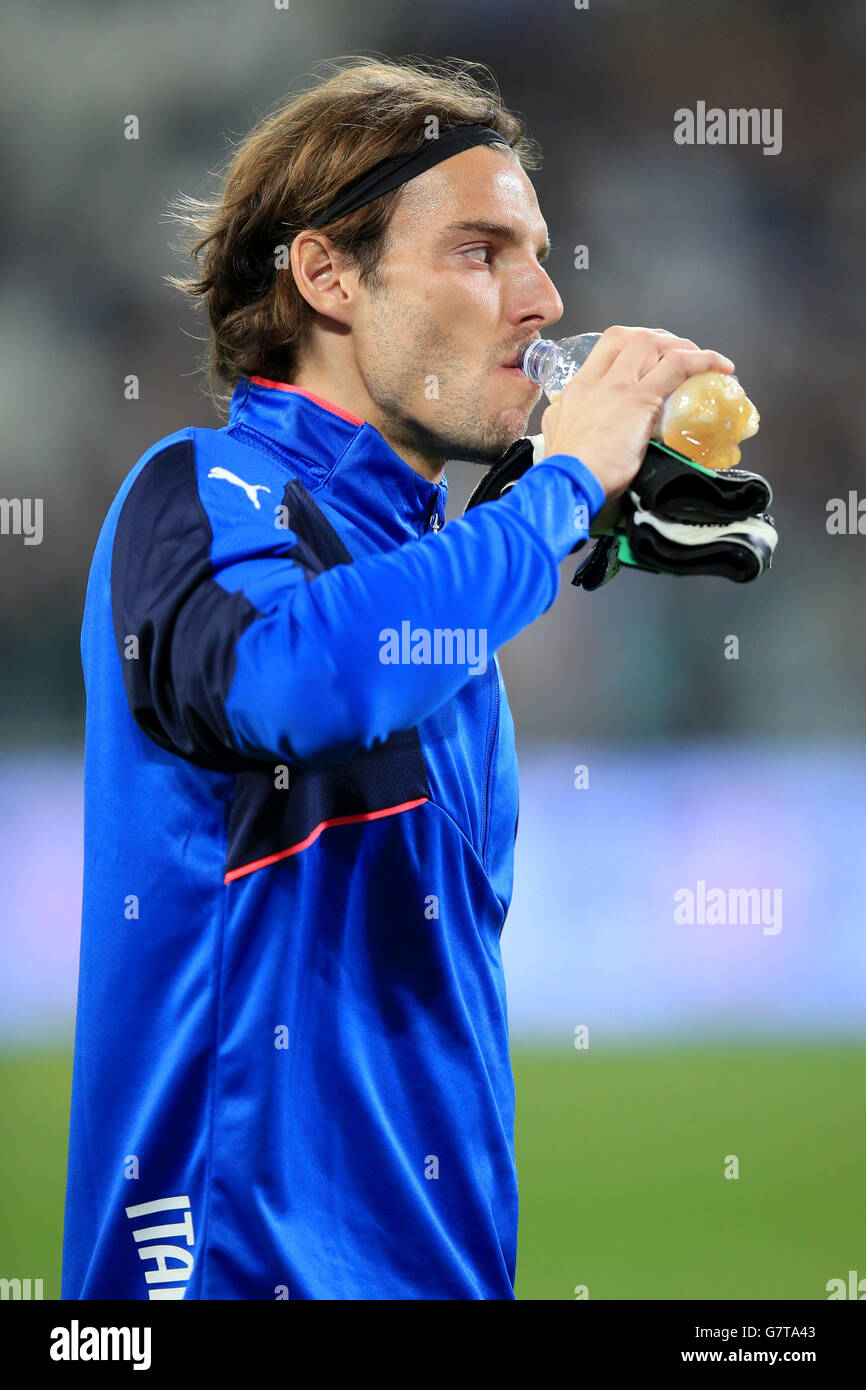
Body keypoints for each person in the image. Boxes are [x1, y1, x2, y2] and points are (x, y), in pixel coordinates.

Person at [61, 55, 734, 1301]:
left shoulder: (426, 563)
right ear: (324, 277)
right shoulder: (203, 487)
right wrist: (559, 493)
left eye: (537, 253)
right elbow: (291, 681)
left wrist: (555, 520)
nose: (540, 299)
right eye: (481, 251)